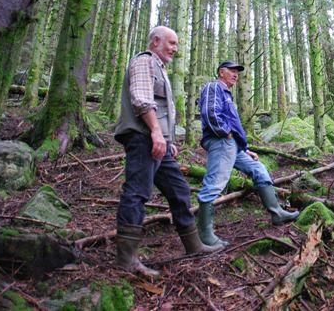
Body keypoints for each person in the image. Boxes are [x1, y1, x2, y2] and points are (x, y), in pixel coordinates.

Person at [114, 26, 220, 278]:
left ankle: (193, 246)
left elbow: (161, 109)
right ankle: (126, 259)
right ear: (155, 41)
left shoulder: (159, 68)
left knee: (179, 189)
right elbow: (141, 99)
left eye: (176, 44)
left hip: (156, 140)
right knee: (137, 192)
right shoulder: (144, 61)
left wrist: (167, 138)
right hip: (143, 139)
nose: (175, 48)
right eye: (171, 43)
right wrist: (154, 132)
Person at [195, 60, 300, 247]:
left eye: (238, 72)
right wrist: (225, 133)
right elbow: (210, 113)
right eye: (232, 71)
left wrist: (244, 149)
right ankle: (204, 234)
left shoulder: (227, 95)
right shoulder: (214, 87)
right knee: (215, 183)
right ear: (221, 72)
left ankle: (277, 212)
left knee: (259, 169)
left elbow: (233, 126)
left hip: (232, 145)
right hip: (221, 142)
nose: (236, 74)